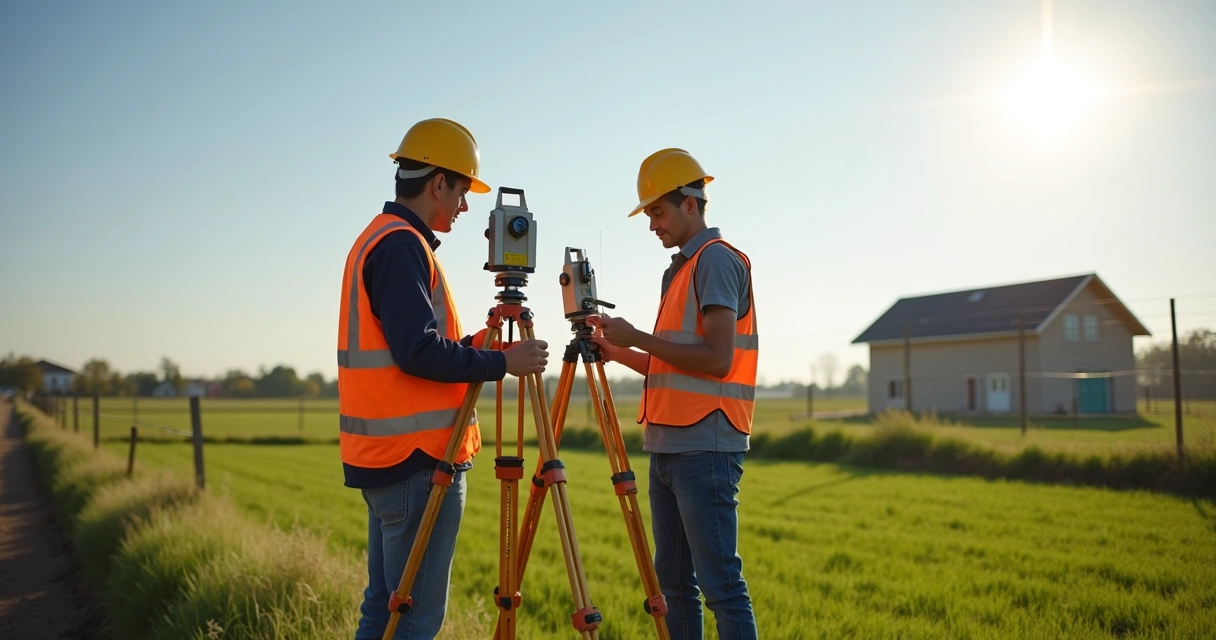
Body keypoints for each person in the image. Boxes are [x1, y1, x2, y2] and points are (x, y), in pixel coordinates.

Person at [337, 118, 548, 639]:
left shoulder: (382, 239)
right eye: (461, 191)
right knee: (414, 620)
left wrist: (477, 345)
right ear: (437, 184)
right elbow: (416, 352)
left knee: (384, 610)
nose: (465, 206)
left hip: (390, 459)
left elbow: (413, 346)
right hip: (419, 461)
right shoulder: (402, 245)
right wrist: (503, 364)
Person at [591, 148, 759, 640]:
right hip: (667, 448)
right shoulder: (682, 270)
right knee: (675, 588)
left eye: (657, 212)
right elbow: (670, 362)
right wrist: (617, 350)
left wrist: (637, 336)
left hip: (705, 446)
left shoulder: (717, 261)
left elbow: (717, 359)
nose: (651, 226)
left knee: (721, 585)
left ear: (691, 204)